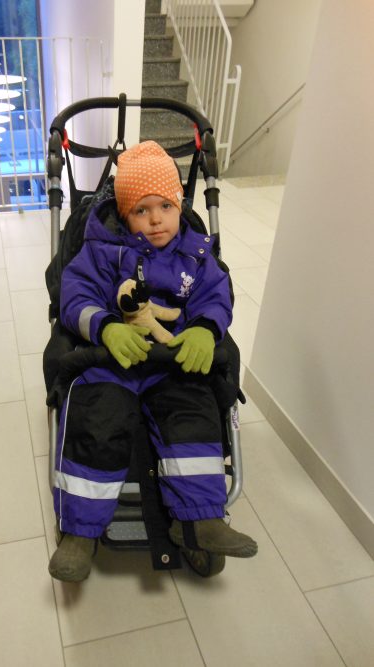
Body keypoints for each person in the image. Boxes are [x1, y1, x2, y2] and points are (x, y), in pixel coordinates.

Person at [48, 141, 257, 582]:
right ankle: (79, 532)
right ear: (125, 215)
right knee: (97, 417)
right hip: (112, 359)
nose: (156, 218)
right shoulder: (103, 251)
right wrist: (105, 326)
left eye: (165, 206)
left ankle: (200, 518)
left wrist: (204, 329)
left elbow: (216, 295)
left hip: (171, 360)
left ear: (180, 205)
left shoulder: (196, 254)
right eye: (141, 210)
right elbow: (75, 295)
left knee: (193, 409)